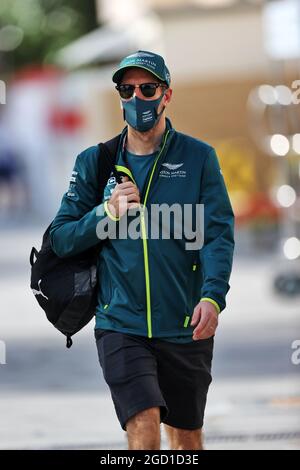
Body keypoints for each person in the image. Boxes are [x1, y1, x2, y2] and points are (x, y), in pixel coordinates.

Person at [50, 50, 235, 450]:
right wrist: (106, 213)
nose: (136, 98)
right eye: (127, 89)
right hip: (121, 324)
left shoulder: (199, 158)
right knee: (144, 428)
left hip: (185, 324)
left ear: (166, 95)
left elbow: (218, 234)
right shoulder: (94, 162)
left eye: (147, 89)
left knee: (186, 440)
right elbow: (61, 238)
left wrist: (213, 296)